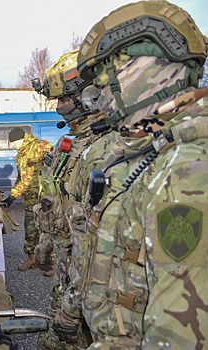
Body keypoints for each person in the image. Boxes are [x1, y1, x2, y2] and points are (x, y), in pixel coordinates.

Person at [75, 0, 208, 347]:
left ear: (152, 66)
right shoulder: (162, 150)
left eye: (109, 74)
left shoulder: (187, 171)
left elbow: (178, 335)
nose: (101, 93)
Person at [32, 49, 116, 349]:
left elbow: (96, 240)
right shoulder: (73, 143)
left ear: (88, 96)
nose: (58, 107)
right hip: (69, 275)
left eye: (63, 99)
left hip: (86, 288)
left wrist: (73, 303)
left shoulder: (105, 149)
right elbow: (54, 196)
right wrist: (45, 240)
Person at [2, 127, 51, 271]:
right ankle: (32, 259)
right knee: (30, 230)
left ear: (21, 139)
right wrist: (12, 196)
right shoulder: (20, 155)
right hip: (30, 200)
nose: (13, 146)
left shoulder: (41, 146)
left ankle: (50, 264)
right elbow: (21, 178)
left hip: (44, 198)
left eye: (14, 143)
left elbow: (55, 168)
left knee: (47, 229)